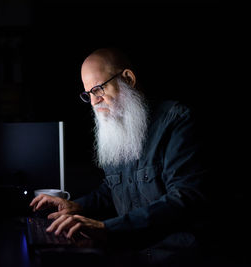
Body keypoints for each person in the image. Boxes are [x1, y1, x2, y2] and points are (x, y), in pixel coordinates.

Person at [30, 47, 214, 266]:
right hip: (130, 254)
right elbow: (114, 189)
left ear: (128, 78)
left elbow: (185, 200)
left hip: (176, 257)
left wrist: (106, 228)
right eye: (88, 94)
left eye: (98, 89)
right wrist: (76, 206)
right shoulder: (118, 127)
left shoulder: (177, 121)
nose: (93, 102)